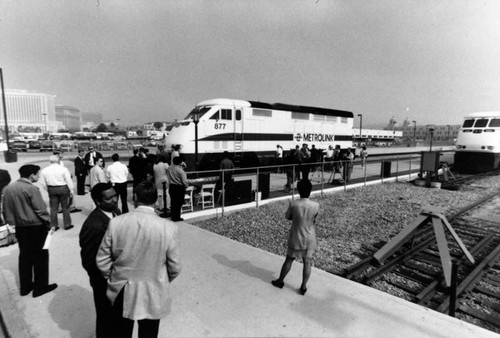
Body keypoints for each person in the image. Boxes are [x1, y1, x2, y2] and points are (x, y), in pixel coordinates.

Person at [96, 181, 182, 338]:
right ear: (156, 200)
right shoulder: (169, 228)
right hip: (153, 290)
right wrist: (161, 278)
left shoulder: (116, 222)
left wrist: (112, 276)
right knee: (149, 333)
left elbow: (102, 259)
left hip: (121, 288)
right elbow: (175, 267)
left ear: (135, 197)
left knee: (122, 332)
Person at [2, 164, 58, 297]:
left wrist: (12, 223)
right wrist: (49, 223)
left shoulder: (9, 189)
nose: (38, 176)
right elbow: (40, 209)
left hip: (20, 228)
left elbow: (5, 210)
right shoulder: (31, 188)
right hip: (36, 227)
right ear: (31, 175)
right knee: (41, 257)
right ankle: (40, 286)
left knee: (25, 257)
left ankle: (25, 287)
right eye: (37, 174)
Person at [80, 183, 120, 338]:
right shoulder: (94, 224)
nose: (115, 200)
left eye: (115, 195)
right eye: (109, 198)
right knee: (105, 317)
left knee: (116, 317)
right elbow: (88, 260)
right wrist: (104, 279)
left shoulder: (115, 211)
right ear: (97, 201)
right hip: (104, 281)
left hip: (117, 278)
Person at [271, 179, 319, 296]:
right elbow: (314, 219)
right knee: (307, 262)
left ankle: (280, 281)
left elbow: (287, 217)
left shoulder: (294, 204)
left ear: (299, 190)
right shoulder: (316, 205)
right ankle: (303, 287)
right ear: (310, 190)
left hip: (296, 235)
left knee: (289, 259)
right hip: (309, 237)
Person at [38, 155, 74, 230]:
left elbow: (42, 182)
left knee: (53, 208)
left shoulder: (45, 170)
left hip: (51, 188)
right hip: (63, 188)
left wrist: (47, 189)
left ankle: (54, 225)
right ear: (58, 161)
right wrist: (71, 189)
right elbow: (68, 180)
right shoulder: (63, 169)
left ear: (50, 161)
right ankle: (67, 224)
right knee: (65, 207)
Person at [167, 156, 189, 222]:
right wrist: (186, 185)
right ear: (180, 162)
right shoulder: (181, 171)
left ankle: (173, 215)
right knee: (179, 203)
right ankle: (177, 217)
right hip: (179, 187)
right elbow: (184, 181)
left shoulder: (169, 168)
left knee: (173, 202)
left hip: (172, 186)